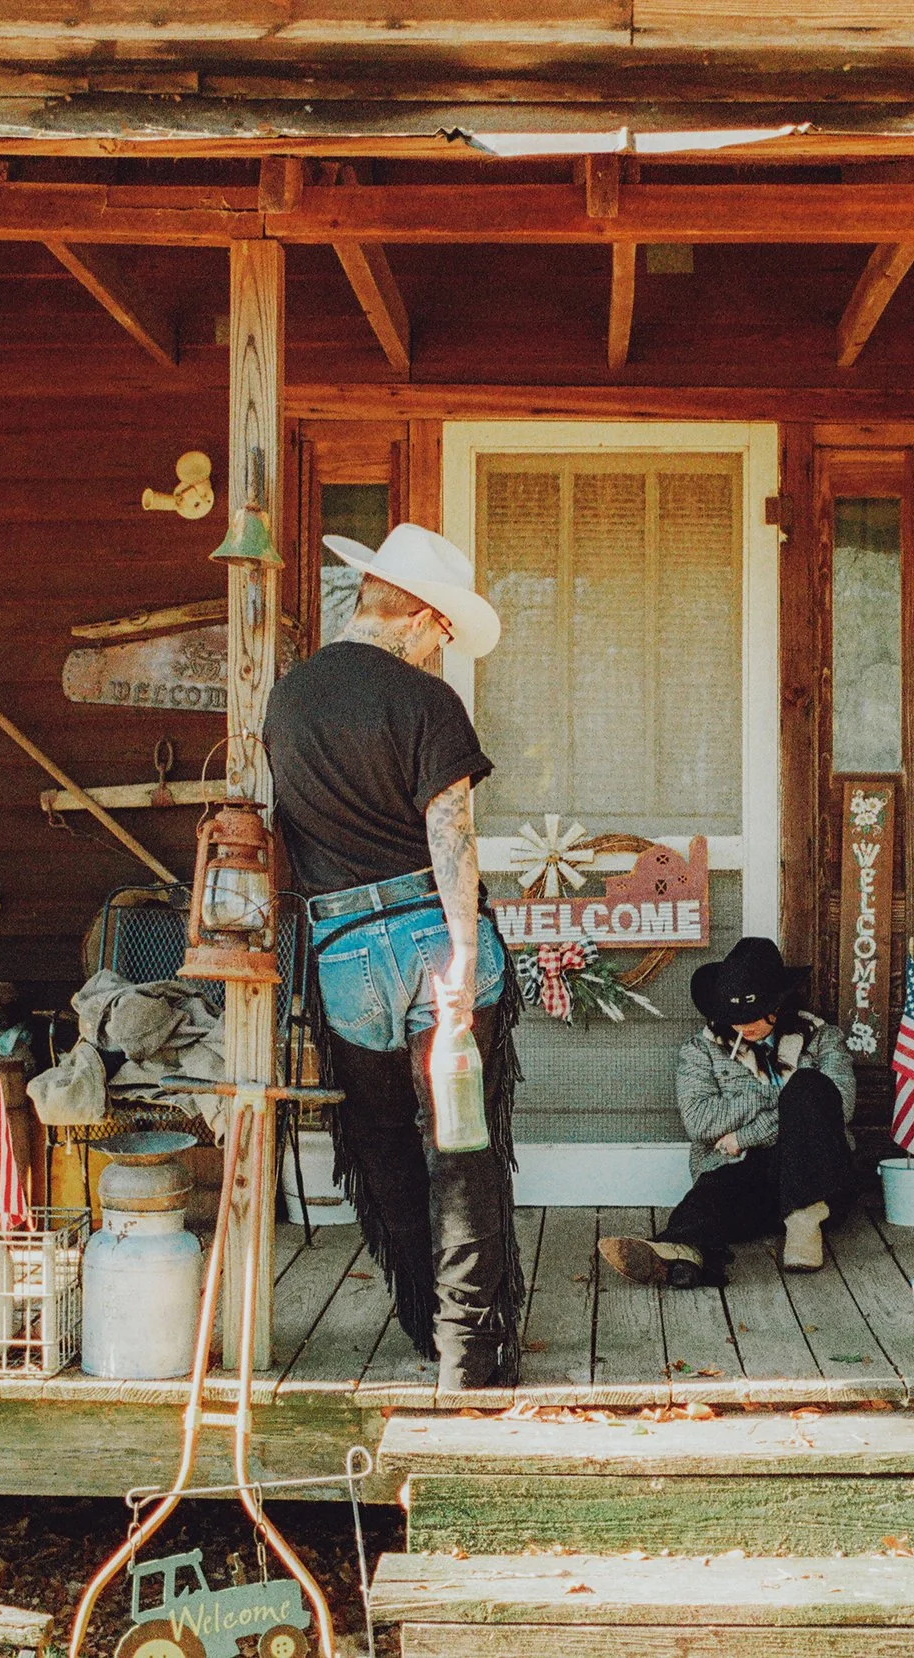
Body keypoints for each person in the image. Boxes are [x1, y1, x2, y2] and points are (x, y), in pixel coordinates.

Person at [261, 522, 521, 1391]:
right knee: (464, 1142)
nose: (441, 648)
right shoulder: (424, 703)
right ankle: (468, 1353)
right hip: (425, 933)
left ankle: (418, 1319)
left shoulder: (288, 699)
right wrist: (457, 950)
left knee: (380, 1142)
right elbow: (453, 838)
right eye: (442, 630)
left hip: (340, 952)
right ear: (413, 614)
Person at [597, 937, 859, 1289]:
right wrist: (772, 1095)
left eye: (754, 1012)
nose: (744, 1024)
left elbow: (838, 1107)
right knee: (709, 1197)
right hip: (741, 1177)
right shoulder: (700, 1050)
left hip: (816, 1180)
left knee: (809, 1086)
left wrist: (746, 1134)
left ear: (779, 1004)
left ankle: (803, 1221)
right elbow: (700, 1121)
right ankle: (681, 1253)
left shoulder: (821, 1039)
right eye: (734, 1016)